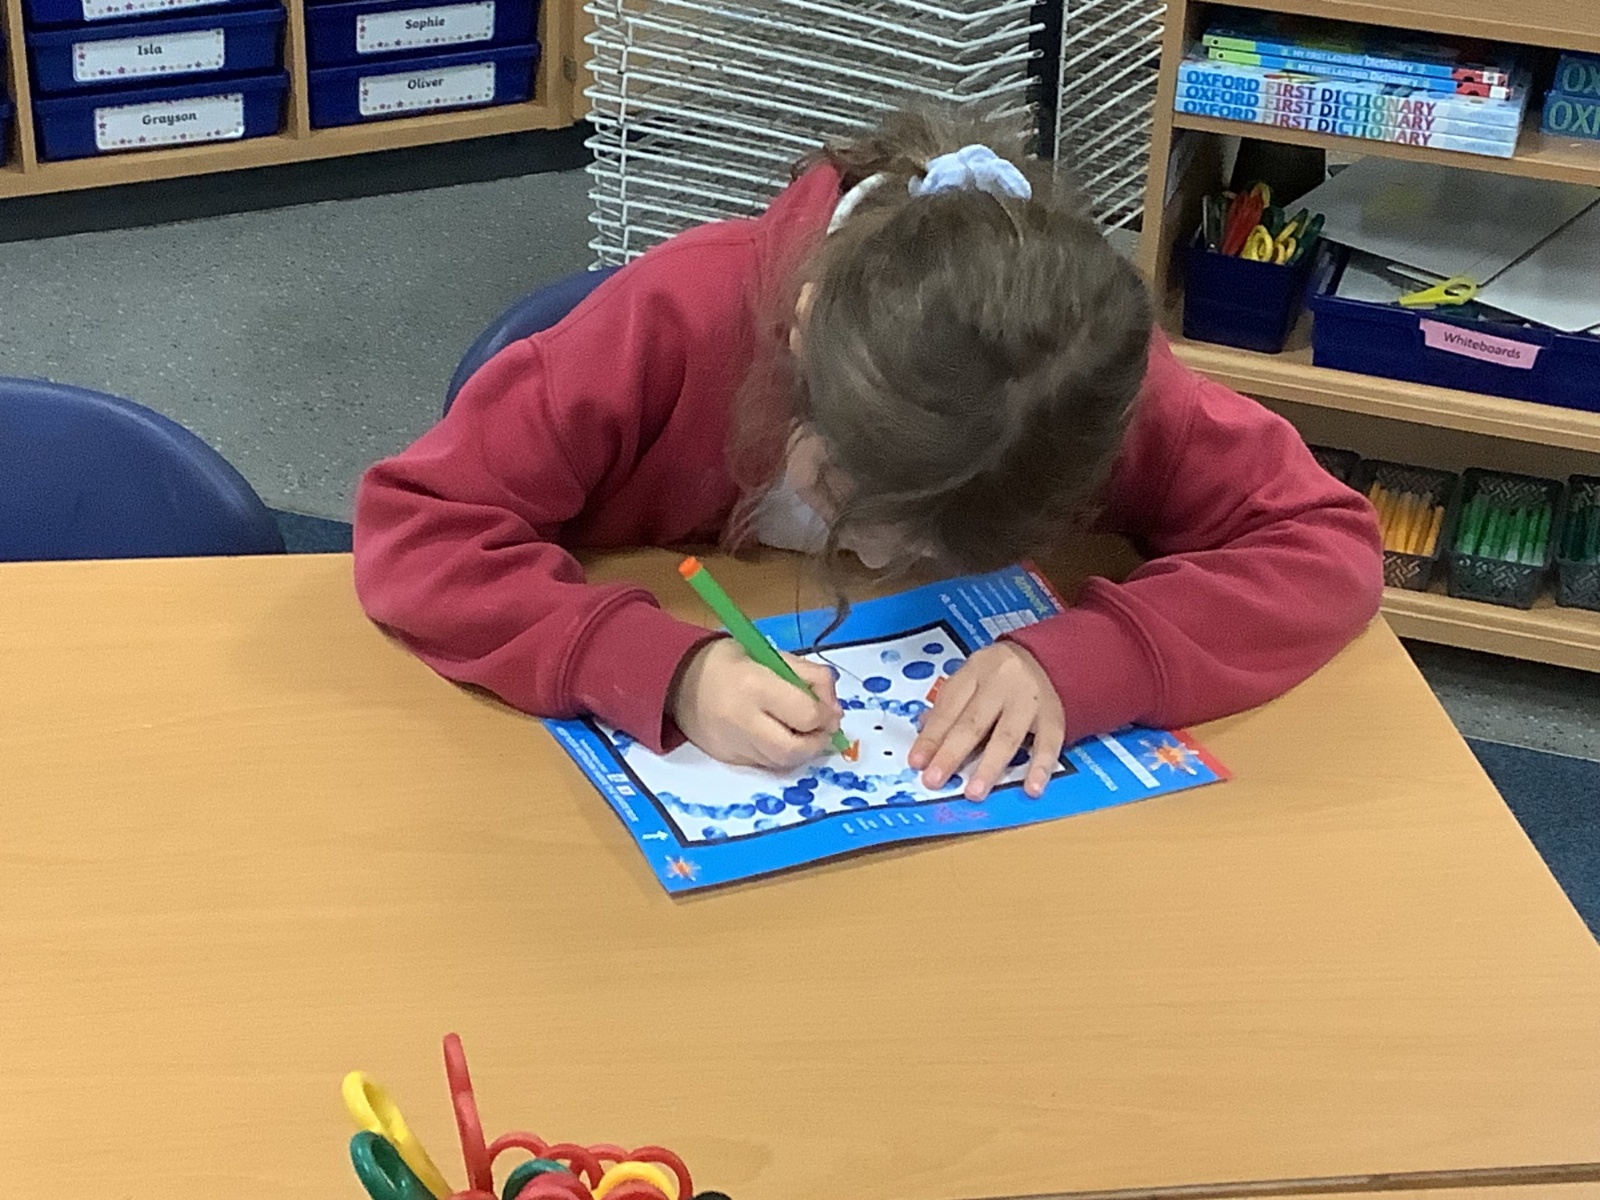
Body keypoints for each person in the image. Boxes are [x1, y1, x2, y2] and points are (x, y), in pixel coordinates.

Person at [353, 110, 1382, 803]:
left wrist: (1091, 660)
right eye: (852, 498)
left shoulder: (1082, 380)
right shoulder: (675, 319)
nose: (883, 560)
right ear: (803, 333)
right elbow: (420, 525)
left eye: (933, 544)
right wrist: (667, 671)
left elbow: (1322, 541)